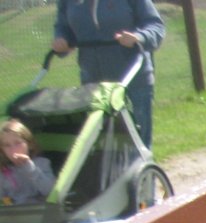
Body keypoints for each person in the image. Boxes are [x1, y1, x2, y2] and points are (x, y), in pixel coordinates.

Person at [51, 0, 166, 149]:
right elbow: (63, 27)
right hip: (94, 81)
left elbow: (155, 26)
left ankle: (143, 169)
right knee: (102, 142)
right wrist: (61, 40)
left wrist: (139, 37)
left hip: (134, 77)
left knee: (138, 141)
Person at [0, 120, 56, 206]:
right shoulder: (3, 171)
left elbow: (51, 191)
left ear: (29, 144)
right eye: (7, 145)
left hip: (41, 213)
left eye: (17, 143)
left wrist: (30, 168)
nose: (13, 149)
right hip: (16, 215)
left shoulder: (42, 163)